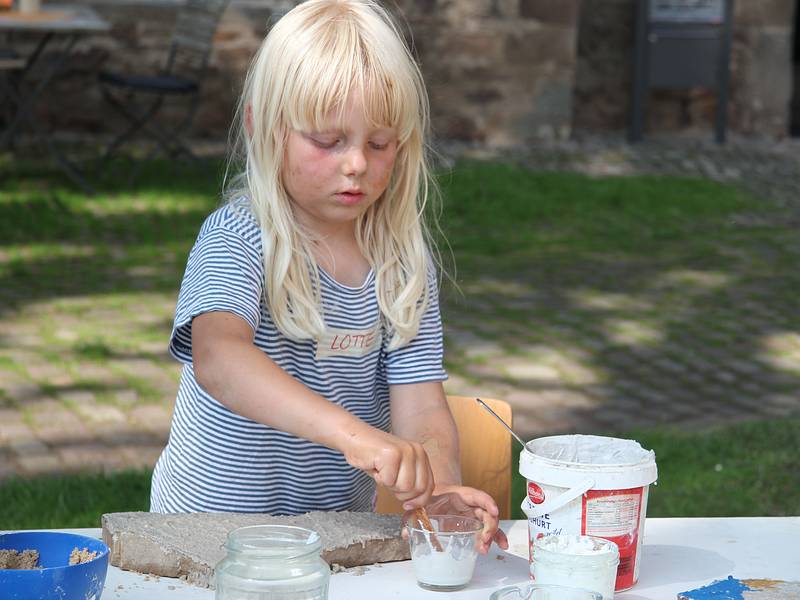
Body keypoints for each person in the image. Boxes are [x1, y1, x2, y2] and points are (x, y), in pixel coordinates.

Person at [150, 0, 507, 553]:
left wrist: (434, 490)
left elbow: (420, 404)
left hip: (330, 537)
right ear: (263, 129)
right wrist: (354, 436)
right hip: (204, 536)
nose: (357, 164)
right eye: (328, 140)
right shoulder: (237, 236)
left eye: (379, 143)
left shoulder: (402, 262)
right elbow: (220, 360)